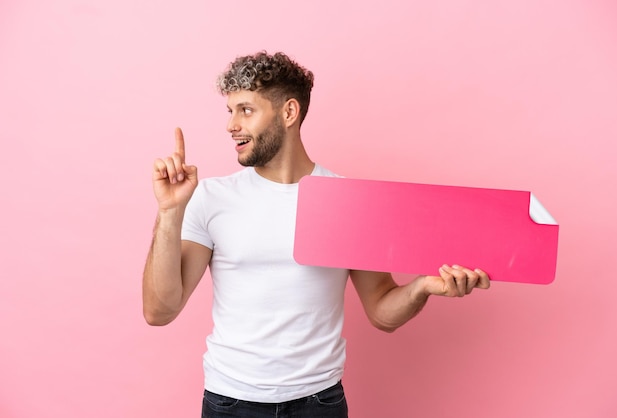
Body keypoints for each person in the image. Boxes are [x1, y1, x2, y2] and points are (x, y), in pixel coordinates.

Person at [142, 51, 490, 418]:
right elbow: (159, 311)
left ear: (289, 113)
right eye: (229, 111)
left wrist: (422, 286)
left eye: (245, 110)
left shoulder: (347, 201)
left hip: (318, 404)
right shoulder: (211, 198)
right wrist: (169, 212)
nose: (231, 125)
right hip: (230, 402)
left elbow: (382, 312)